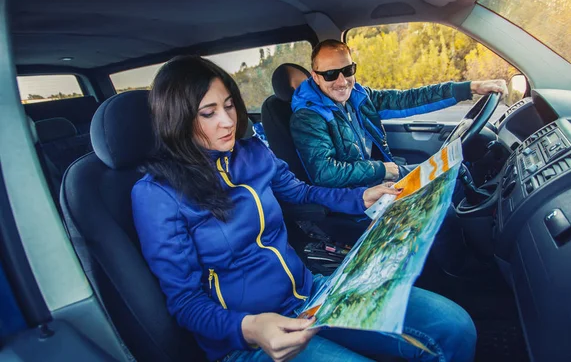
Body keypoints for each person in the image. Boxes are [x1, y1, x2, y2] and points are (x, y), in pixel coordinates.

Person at [131, 55, 477, 362]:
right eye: (208, 113)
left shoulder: (252, 152)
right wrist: (249, 328)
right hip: (246, 337)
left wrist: (360, 197)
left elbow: (300, 191)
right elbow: (185, 302)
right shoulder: (157, 194)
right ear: (177, 119)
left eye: (229, 105)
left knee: (454, 326)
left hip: (310, 294)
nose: (227, 121)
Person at [290, 39, 508, 189]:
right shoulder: (307, 117)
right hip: (356, 194)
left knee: (453, 172)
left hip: (375, 177)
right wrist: (381, 170)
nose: (341, 81)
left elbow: (408, 99)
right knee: (450, 184)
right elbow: (325, 173)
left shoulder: (358, 95)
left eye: (347, 71)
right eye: (329, 74)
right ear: (315, 77)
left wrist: (470, 87)